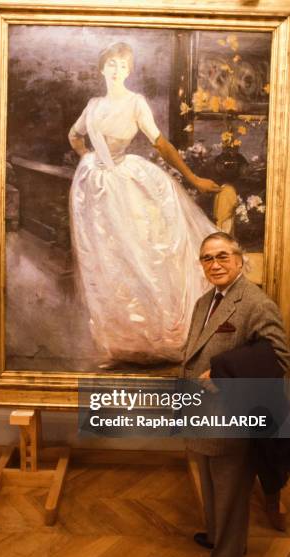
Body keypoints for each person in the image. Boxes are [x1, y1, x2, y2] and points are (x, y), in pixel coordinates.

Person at [68, 42, 220, 366]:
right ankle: (119, 342)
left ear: (130, 70)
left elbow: (161, 143)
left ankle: (157, 336)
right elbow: (75, 135)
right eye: (111, 63)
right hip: (94, 187)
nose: (117, 70)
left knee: (141, 255)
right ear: (101, 67)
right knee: (105, 261)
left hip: (127, 183)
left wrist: (192, 179)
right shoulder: (93, 104)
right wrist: (89, 161)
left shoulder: (136, 103)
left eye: (123, 65)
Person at [181, 231, 290, 557]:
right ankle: (217, 535)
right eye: (208, 258)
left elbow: (279, 356)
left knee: (229, 492)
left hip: (231, 415)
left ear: (240, 260)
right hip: (202, 413)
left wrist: (225, 371)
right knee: (211, 485)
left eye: (222, 256)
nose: (215, 264)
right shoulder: (204, 301)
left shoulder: (255, 303)